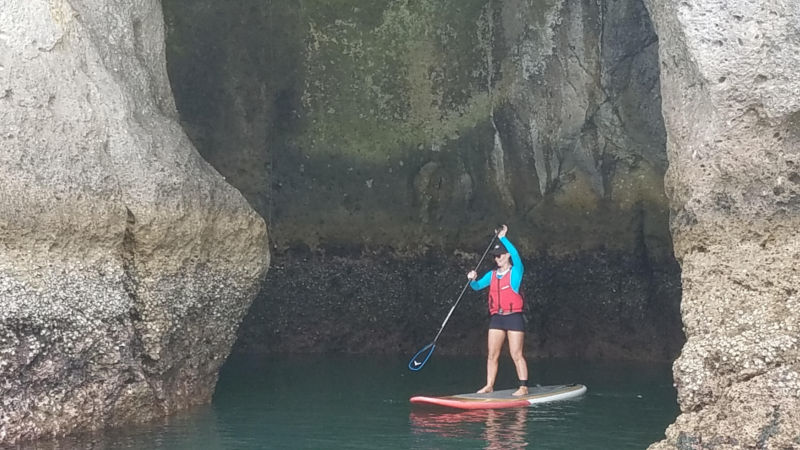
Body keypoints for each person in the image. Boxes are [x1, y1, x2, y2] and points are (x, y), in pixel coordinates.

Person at [467, 224, 529, 396]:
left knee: (516, 354)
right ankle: (489, 385)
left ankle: (523, 386)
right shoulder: (492, 275)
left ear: (507, 255)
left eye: (500, 255)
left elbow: (516, 255)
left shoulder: (516, 272)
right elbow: (477, 287)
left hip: (514, 317)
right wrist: (472, 280)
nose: (497, 259)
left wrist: (503, 238)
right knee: (492, 354)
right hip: (497, 318)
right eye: (495, 256)